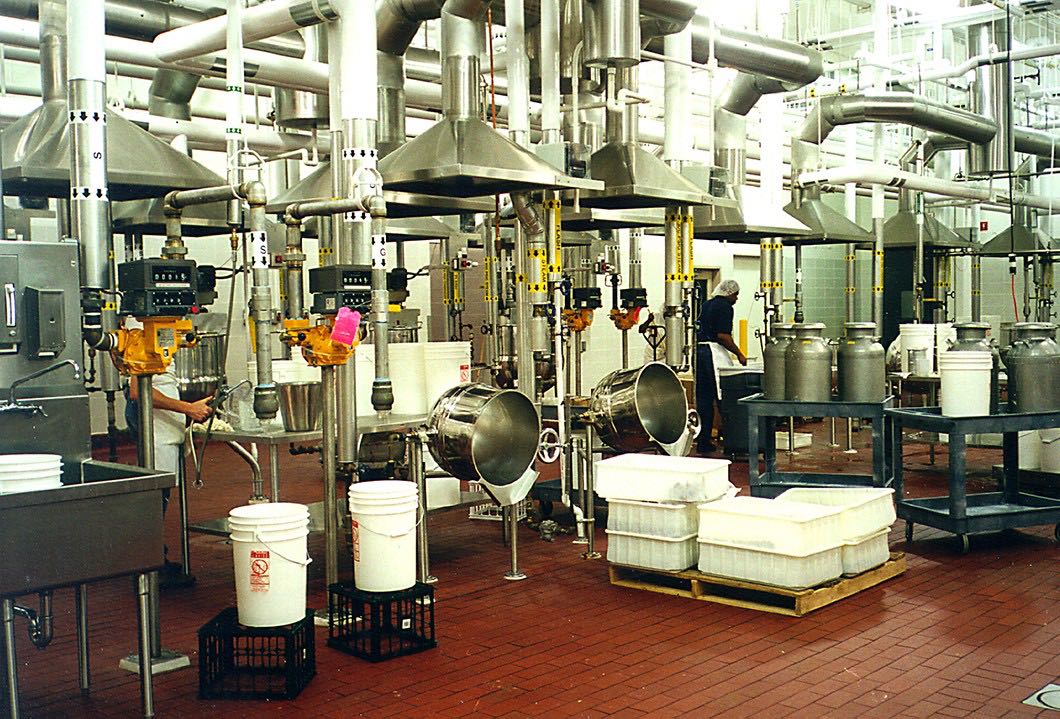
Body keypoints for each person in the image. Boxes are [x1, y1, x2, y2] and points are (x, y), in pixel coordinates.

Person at [696, 279, 747, 454]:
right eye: (736, 295)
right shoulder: (726, 307)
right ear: (729, 293)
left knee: (704, 400)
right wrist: (739, 353)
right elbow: (723, 335)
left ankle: (703, 440)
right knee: (722, 397)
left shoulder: (707, 304)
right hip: (712, 353)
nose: (737, 299)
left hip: (699, 352)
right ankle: (733, 440)